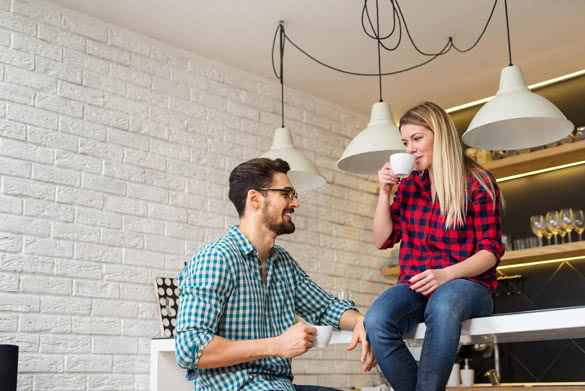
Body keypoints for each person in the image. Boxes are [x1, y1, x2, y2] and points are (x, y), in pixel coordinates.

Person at [175, 158, 376, 391]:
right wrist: (277, 345)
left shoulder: (282, 263)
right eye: (286, 194)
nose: (296, 203)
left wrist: (363, 321)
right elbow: (189, 349)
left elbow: (326, 308)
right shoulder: (216, 259)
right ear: (255, 199)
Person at [364, 102, 505, 391]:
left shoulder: (477, 182)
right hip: (416, 285)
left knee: (443, 303)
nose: (410, 149)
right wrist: (384, 192)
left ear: (439, 137)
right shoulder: (409, 185)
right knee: (377, 319)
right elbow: (382, 239)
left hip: (469, 286)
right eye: (405, 142)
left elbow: (490, 252)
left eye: (418, 138)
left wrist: (445, 274)